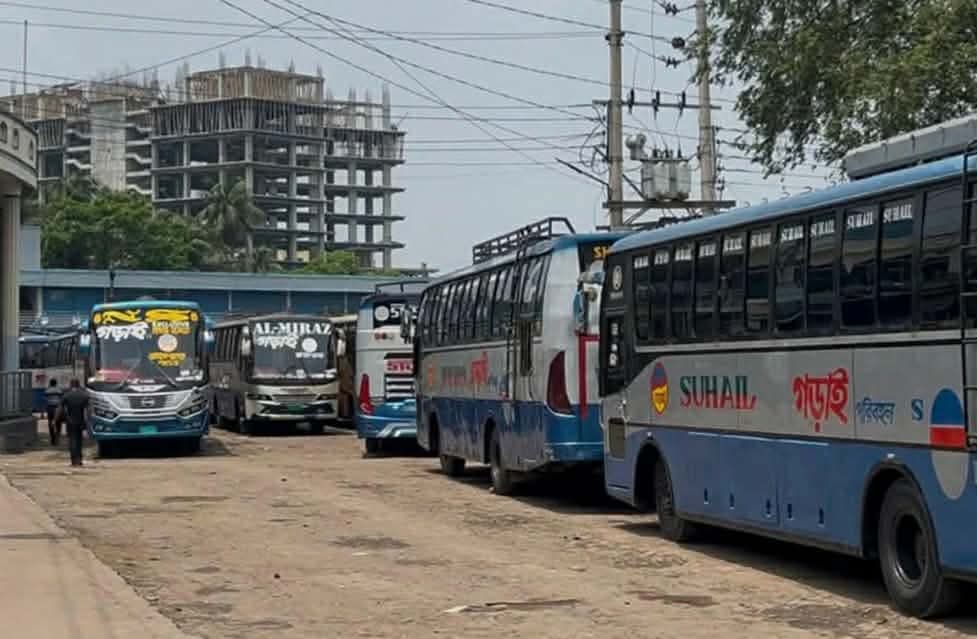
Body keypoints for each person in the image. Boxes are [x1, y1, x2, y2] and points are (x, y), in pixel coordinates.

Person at [57, 379, 89, 467]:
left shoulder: (66, 395)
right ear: (78, 385)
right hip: (80, 421)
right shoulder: (84, 395)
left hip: (70, 421)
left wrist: (56, 419)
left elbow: (60, 408)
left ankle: (74, 460)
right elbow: (87, 410)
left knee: (72, 440)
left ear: (71, 385)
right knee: (79, 440)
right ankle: (79, 459)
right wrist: (87, 422)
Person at [44, 379, 63, 446]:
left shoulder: (47, 390)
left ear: (50, 383)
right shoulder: (59, 390)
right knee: (58, 422)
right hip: (57, 408)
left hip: (50, 408)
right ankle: (57, 437)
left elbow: (45, 399)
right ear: (56, 383)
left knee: (50, 422)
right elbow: (62, 399)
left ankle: (52, 439)